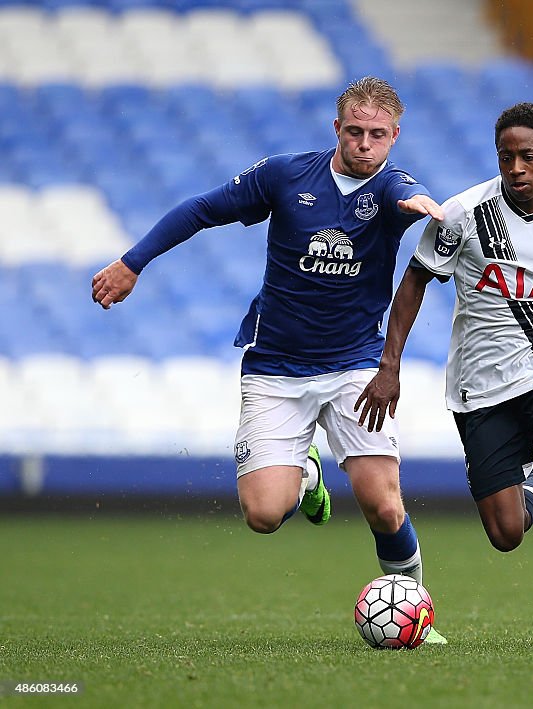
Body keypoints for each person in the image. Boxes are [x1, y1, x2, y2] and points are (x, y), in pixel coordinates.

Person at [92, 76, 448, 644]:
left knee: (383, 505)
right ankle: (304, 473)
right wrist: (133, 261)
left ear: (394, 137)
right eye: (354, 132)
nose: (364, 144)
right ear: (336, 129)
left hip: (354, 366)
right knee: (263, 516)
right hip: (276, 367)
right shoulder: (285, 176)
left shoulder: (392, 189)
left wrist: (422, 206)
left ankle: (418, 618)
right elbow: (203, 208)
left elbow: (407, 195)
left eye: (377, 135)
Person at [355, 102, 533, 648]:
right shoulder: (462, 214)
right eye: (506, 157)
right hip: (479, 389)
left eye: (527, 157)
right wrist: (390, 364)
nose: (516, 168)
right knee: (506, 535)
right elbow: (414, 283)